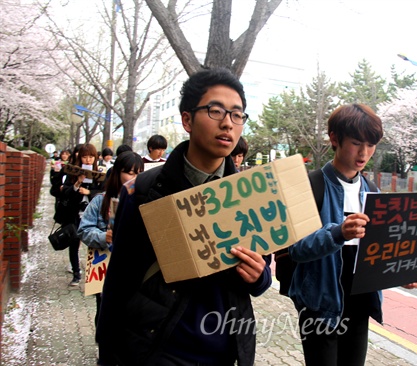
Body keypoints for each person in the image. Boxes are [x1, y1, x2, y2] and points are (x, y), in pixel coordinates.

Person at [97, 68, 271, 365]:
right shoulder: (142, 192)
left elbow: (262, 271)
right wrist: (107, 351)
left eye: (237, 114)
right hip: (159, 349)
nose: (228, 123)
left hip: (226, 349)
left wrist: (259, 276)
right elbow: (120, 280)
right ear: (187, 119)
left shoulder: (250, 195)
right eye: (215, 111)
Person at [287, 103, 417, 366]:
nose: (364, 153)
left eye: (371, 145)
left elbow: (378, 252)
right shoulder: (311, 185)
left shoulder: (371, 190)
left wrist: (402, 274)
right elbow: (296, 249)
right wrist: (338, 233)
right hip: (320, 305)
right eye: (356, 143)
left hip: (360, 303)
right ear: (334, 138)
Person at [77, 151, 144, 363]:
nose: (134, 177)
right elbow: (83, 230)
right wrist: (102, 236)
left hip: (132, 268)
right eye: (129, 172)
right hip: (104, 265)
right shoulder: (101, 201)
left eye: (139, 172)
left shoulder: (144, 200)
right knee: (106, 309)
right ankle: (106, 349)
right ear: (117, 173)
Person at [55, 143, 104, 287]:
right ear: (79, 157)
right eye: (85, 157)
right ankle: (76, 274)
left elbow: (104, 192)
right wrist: (77, 183)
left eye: (91, 157)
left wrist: (90, 192)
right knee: (74, 243)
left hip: (93, 214)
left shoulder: (99, 174)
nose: (88, 160)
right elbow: (65, 194)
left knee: (95, 242)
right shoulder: (71, 173)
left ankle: (95, 278)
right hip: (75, 213)